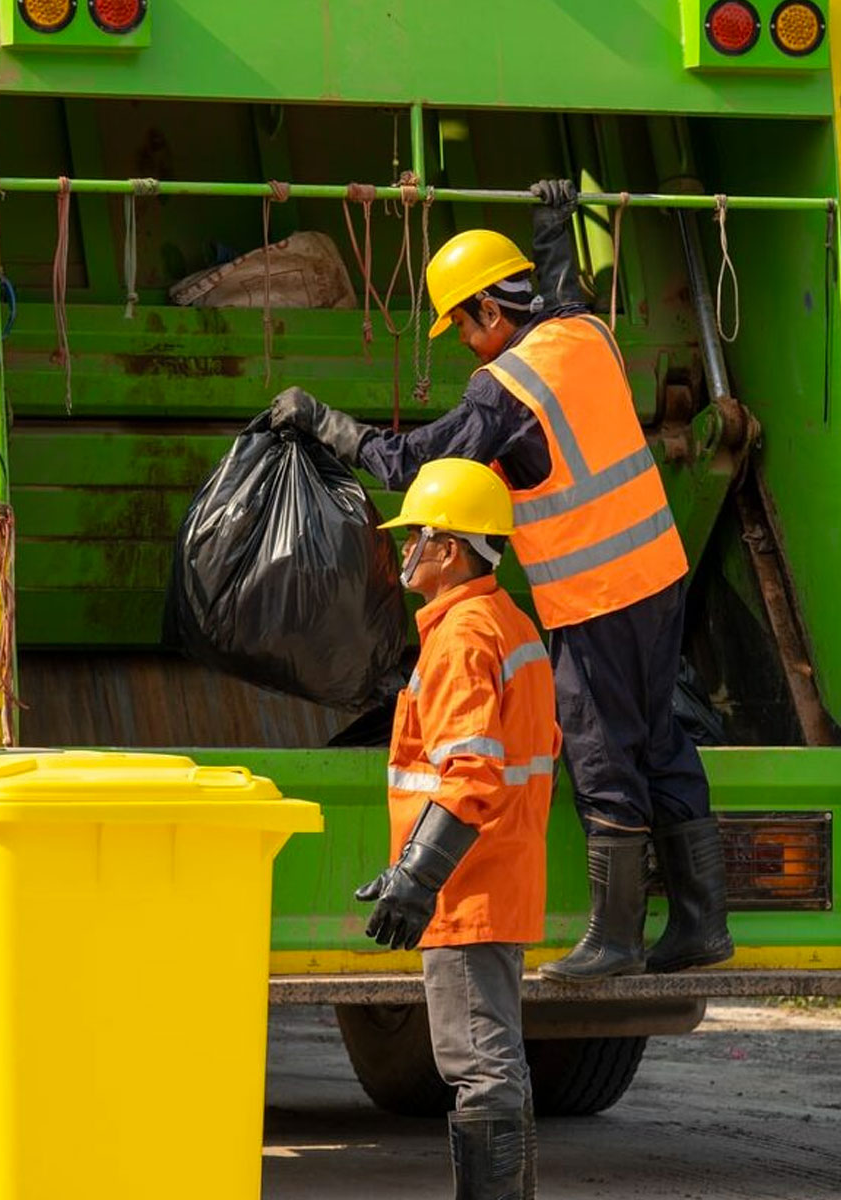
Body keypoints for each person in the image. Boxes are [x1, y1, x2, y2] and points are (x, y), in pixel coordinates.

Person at [275, 180, 733, 982]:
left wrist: (324, 423)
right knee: (660, 737)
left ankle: (617, 939)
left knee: (600, 750)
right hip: (659, 575)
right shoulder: (586, 333)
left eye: (460, 324)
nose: (463, 342)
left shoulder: (504, 387)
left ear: (490, 309)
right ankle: (700, 922)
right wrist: (553, 224)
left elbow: (421, 464)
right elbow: (563, 289)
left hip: (596, 594)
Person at [355, 457, 558, 1200]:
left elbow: (470, 773)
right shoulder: (507, 624)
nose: (405, 552)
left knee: (480, 1070)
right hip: (492, 876)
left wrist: (418, 877)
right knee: (498, 1068)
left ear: (449, 550)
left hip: (468, 892)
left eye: (416, 538)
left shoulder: (461, 638)